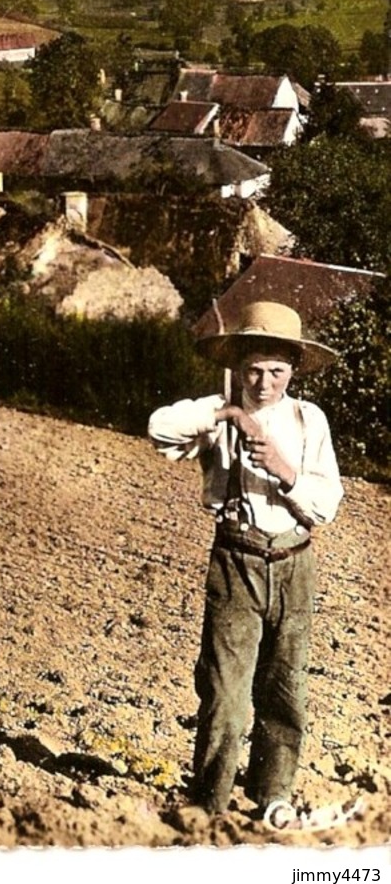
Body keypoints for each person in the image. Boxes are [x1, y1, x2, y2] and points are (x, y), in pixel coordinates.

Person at [148, 300, 346, 832]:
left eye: (276, 371)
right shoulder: (217, 412)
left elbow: (325, 504)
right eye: (253, 370)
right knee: (226, 693)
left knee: (284, 689)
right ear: (238, 368)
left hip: (294, 565)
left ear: (293, 371)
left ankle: (274, 792)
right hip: (235, 562)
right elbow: (160, 429)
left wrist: (283, 470)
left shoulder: (310, 421)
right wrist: (228, 414)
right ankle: (208, 800)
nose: (264, 383)